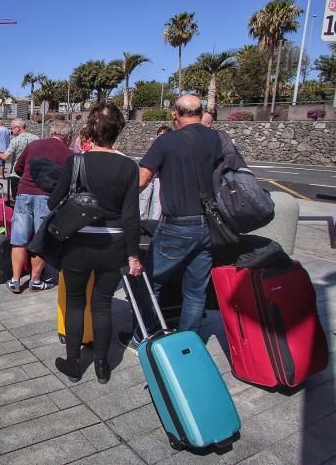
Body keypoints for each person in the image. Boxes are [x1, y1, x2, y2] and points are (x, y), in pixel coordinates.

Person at [48, 102, 141, 384]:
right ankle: (102, 365)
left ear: (90, 129)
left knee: (76, 304)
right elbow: (131, 216)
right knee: (102, 304)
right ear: (117, 132)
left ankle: (73, 364)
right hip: (113, 246)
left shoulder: (76, 162)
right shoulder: (128, 166)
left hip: (78, 244)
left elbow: (54, 202)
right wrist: (133, 255)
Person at [134, 95, 222, 340]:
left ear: (175, 114)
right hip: (208, 225)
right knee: (196, 290)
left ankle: (144, 335)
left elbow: (141, 180)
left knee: (152, 282)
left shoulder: (167, 141)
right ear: (201, 112)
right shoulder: (217, 139)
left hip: (176, 225)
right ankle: (189, 340)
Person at [6, 121, 73, 294]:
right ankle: (35, 281)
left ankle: (15, 279)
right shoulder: (68, 154)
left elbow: (18, 168)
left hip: (24, 192)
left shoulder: (33, 145)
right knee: (40, 240)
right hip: (47, 197)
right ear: (68, 137)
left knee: (19, 238)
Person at [138, 125, 169, 221]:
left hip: (159, 176)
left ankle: (154, 221)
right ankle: (140, 218)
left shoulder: (168, 148)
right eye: (159, 134)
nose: (160, 136)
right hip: (150, 174)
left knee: (157, 198)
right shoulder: (154, 145)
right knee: (144, 197)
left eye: (163, 134)